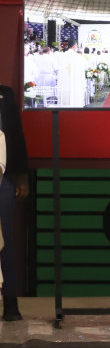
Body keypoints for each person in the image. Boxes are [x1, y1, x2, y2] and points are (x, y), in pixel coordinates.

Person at [0, 80, 29, 321]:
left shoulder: (5, 94)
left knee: (4, 238)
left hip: (4, 177)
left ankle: (10, 303)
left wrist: (22, 176)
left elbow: (16, 135)